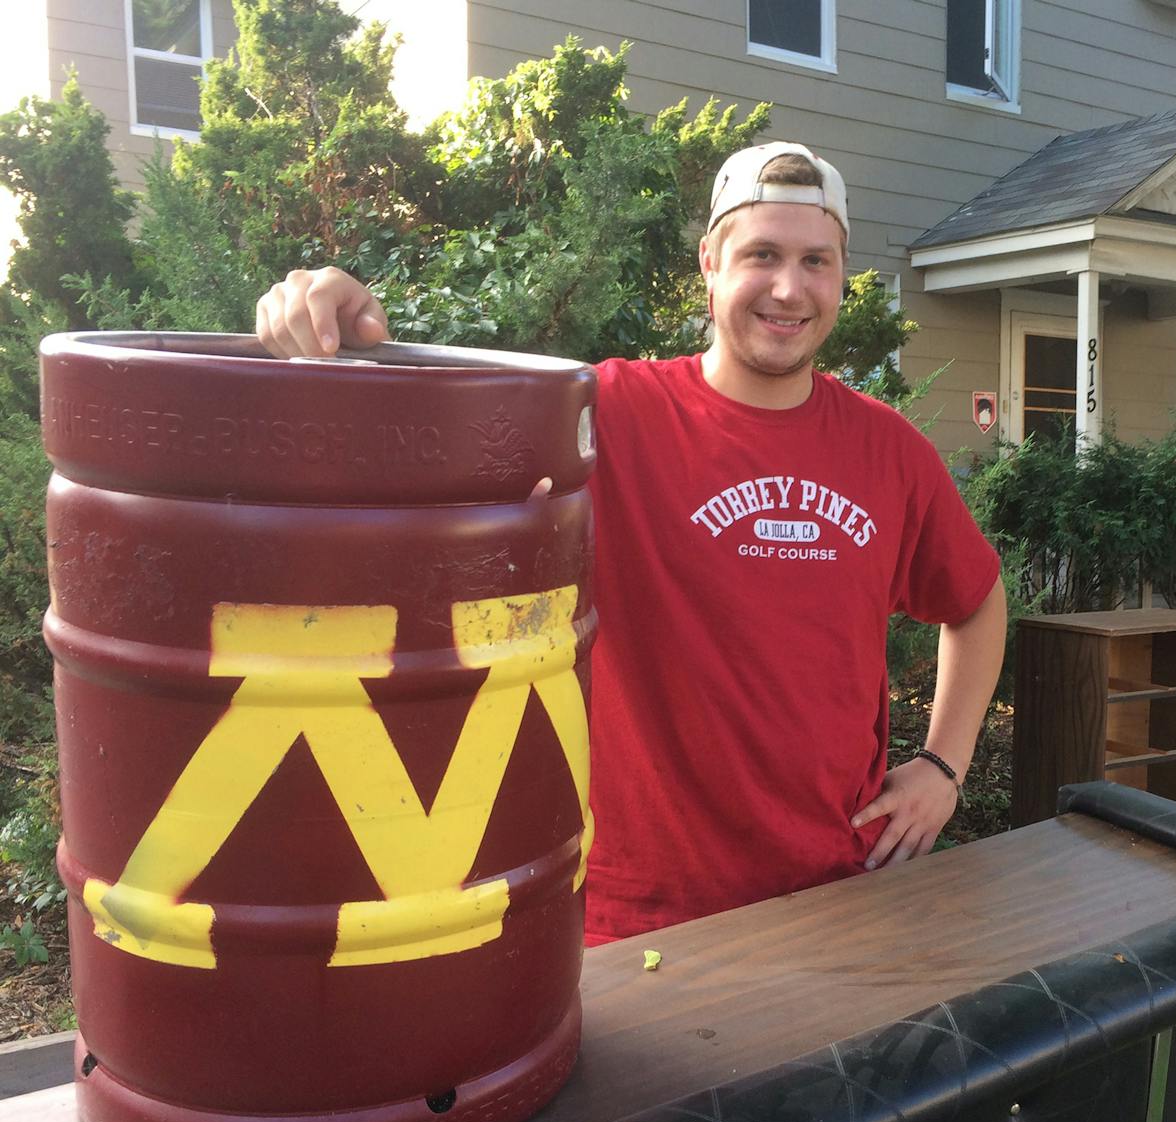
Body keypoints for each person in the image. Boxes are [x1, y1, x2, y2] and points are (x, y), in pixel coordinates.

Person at [256, 141, 1008, 944]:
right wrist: (350, 343)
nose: (790, 288)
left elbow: (976, 600)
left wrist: (943, 768)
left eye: (816, 262)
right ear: (710, 263)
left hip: (838, 895)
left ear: (841, 276)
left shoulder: (887, 451)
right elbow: (438, 442)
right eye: (762, 255)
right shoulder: (609, 413)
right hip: (636, 919)